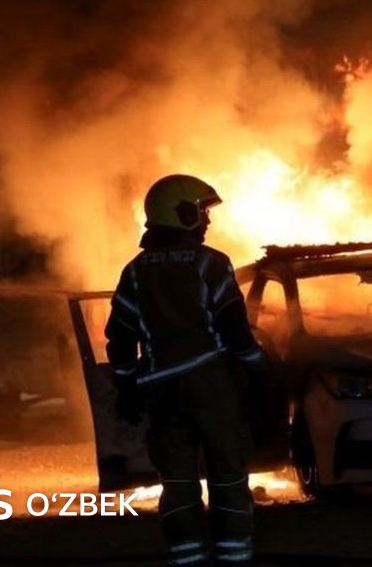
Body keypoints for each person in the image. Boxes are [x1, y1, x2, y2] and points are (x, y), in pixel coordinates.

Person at [104, 174, 268, 566]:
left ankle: (187, 556)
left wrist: (126, 388)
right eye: (201, 211)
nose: (207, 220)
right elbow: (234, 328)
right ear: (180, 213)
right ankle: (232, 554)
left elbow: (120, 339)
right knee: (227, 473)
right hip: (210, 385)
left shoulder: (134, 272)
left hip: (160, 391)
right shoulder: (211, 263)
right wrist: (260, 370)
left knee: (177, 483)